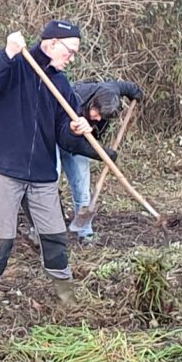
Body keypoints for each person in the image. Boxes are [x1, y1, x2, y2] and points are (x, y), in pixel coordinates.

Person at [0, 19, 98, 323]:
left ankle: (66, 298)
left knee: (55, 234)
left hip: (41, 173)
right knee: (1, 237)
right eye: (70, 50)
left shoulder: (61, 84)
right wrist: (6, 53)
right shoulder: (15, 65)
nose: (72, 57)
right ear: (51, 43)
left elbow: (61, 135)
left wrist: (75, 129)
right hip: (4, 168)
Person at [53, 78, 143, 244]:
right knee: (49, 182)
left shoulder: (109, 91)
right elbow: (71, 142)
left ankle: (84, 232)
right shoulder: (75, 99)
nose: (99, 119)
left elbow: (127, 87)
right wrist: (102, 154)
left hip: (80, 141)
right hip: (55, 138)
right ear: (92, 103)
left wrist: (136, 93)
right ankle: (46, 230)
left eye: (103, 117)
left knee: (82, 187)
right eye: (98, 114)